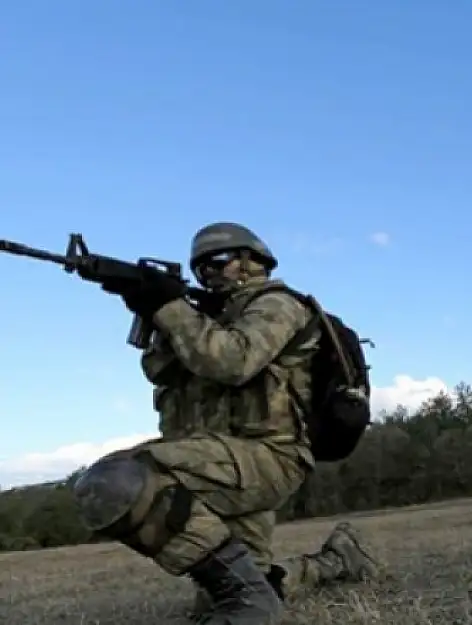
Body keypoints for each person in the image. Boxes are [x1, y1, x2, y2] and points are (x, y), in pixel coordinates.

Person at [70, 222, 385, 625]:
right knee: (228, 592)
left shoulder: (278, 305)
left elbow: (232, 361)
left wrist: (169, 307)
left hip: (268, 457)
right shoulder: (207, 319)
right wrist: (151, 306)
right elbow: (160, 370)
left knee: (116, 482)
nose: (210, 273)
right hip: (223, 460)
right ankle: (335, 560)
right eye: (200, 268)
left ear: (253, 261)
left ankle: (252, 601)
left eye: (219, 261)